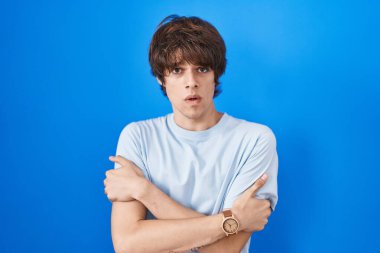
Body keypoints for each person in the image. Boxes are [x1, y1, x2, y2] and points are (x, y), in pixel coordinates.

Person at [103, 14, 278, 253]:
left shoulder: (255, 139)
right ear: (160, 78)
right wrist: (233, 220)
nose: (191, 82)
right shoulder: (137, 136)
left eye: (202, 69)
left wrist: (145, 191)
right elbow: (128, 243)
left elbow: (223, 251)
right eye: (177, 70)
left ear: (215, 74)